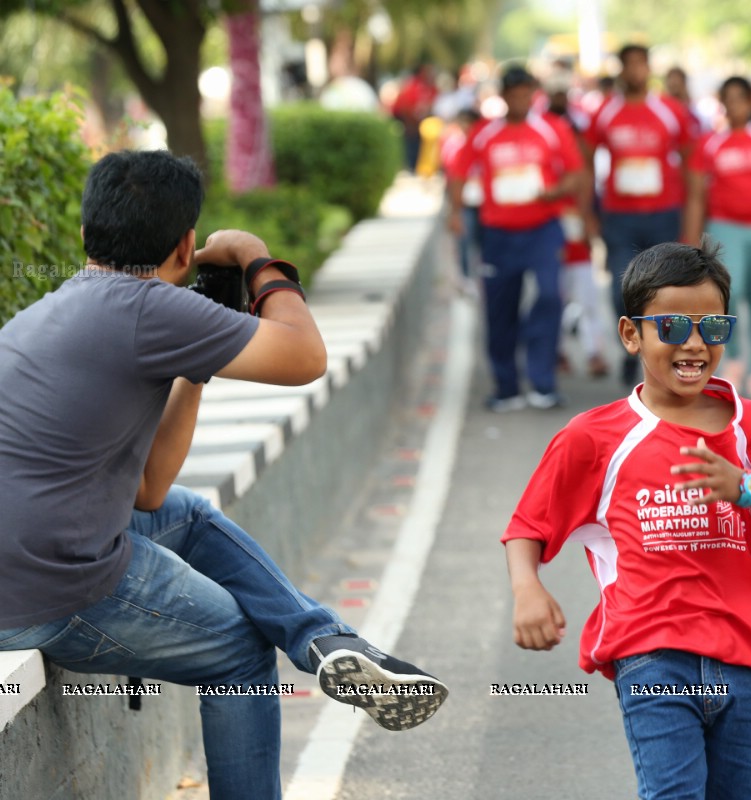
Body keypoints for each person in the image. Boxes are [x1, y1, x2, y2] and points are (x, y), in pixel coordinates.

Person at [0, 150, 447, 800]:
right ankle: (313, 643)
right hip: (50, 592)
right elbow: (305, 355)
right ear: (185, 247)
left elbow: (149, 489)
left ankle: (321, 639)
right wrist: (257, 258)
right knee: (238, 649)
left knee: (185, 512)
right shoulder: (149, 309)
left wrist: (195, 368)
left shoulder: (56, 308)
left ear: (85, 233)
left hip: (25, 563)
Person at [502, 239, 751, 800]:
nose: (696, 345)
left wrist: (747, 489)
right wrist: (527, 589)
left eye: (714, 328)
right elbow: (528, 525)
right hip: (652, 658)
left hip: (746, 658)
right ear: (632, 334)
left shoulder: (750, 427)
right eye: (674, 328)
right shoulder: (596, 436)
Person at [446, 65, 586, 411]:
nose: (521, 99)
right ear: (504, 96)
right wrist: (455, 212)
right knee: (499, 308)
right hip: (498, 233)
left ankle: (542, 383)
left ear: (533, 94)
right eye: (514, 93)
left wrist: (555, 193)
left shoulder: (552, 129)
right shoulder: (484, 132)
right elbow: (459, 172)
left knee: (550, 296)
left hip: (542, 229)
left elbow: (576, 172)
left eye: (527, 93)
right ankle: (506, 386)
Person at [586, 43, 699, 386]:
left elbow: (691, 165)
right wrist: (589, 215)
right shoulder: (605, 112)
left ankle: (664, 358)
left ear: (649, 69)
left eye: (641, 64)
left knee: (664, 290)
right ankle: (631, 348)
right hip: (620, 217)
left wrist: (692, 224)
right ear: (620, 70)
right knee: (621, 289)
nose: (635, 71)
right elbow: (584, 161)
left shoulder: (669, 111)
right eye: (629, 65)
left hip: (664, 213)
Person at [684, 76, 751, 400]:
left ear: (750, 102)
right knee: (731, 292)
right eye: (728, 99)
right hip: (725, 225)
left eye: (740, 98)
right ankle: (734, 361)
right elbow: (696, 195)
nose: (734, 105)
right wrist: (690, 240)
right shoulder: (711, 143)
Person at [544, 73, 609, 379]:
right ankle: (556, 352)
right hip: (550, 234)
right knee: (553, 296)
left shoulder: (582, 155)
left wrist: (589, 223)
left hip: (578, 239)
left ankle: (593, 352)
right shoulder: (546, 154)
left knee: (587, 297)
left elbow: (588, 193)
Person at [440, 107, 484, 292]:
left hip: (484, 201)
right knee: (465, 240)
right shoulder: (454, 144)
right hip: (464, 202)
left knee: (482, 240)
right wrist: (453, 209)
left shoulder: (484, 143)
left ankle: (482, 273)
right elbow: (451, 176)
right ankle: (465, 277)